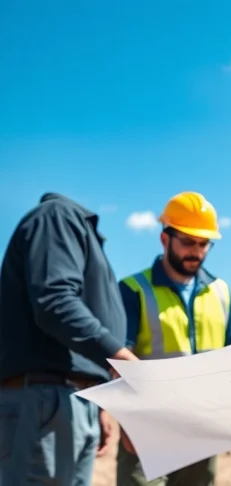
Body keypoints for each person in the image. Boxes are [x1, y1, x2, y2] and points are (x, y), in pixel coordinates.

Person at [0, 193, 139, 486]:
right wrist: (118, 354)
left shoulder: (78, 229)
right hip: (46, 399)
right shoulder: (57, 216)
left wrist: (99, 395)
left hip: (72, 401)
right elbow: (55, 301)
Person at [116, 191, 231, 486]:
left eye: (203, 244)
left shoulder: (221, 291)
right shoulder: (133, 289)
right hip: (148, 426)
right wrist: (128, 420)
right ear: (164, 239)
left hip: (203, 425)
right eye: (187, 241)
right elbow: (117, 359)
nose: (196, 251)